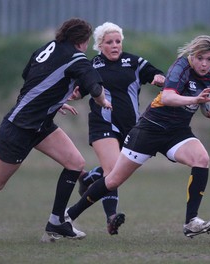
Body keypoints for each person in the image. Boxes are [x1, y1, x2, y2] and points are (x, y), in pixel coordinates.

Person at [0, 18, 112, 243]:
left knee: (75, 163)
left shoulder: (48, 47)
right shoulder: (78, 58)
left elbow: (30, 76)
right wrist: (103, 101)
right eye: (87, 41)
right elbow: (95, 87)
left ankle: (56, 222)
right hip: (19, 128)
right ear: (82, 41)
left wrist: (54, 101)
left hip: (40, 124)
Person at [65, 35, 210, 237]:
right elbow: (169, 97)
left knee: (202, 159)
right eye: (200, 58)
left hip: (177, 132)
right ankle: (68, 216)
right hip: (149, 129)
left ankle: (191, 222)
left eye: (209, 59)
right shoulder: (180, 68)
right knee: (113, 180)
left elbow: (208, 107)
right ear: (192, 55)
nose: (204, 64)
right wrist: (196, 98)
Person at [72, 22, 165, 235]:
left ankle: (88, 178)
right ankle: (111, 218)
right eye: (109, 42)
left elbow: (154, 73)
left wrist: (158, 78)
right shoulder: (92, 65)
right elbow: (81, 89)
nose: (115, 46)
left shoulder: (133, 61)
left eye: (118, 41)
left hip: (130, 128)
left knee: (116, 173)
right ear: (100, 45)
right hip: (102, 123)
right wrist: (75, 94)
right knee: (113, 170)